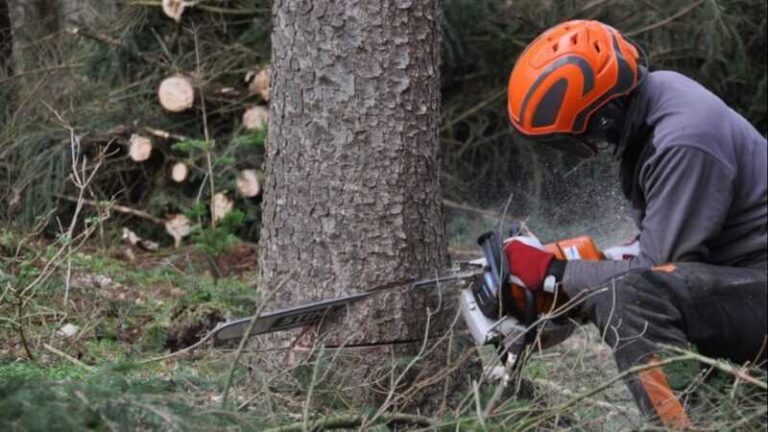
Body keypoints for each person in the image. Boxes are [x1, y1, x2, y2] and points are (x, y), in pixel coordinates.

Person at [503, 20, 767, 428]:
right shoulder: (655, 104)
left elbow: (654, 276)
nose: (583, 147)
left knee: (633, 302)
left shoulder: (682, 140)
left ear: (604, 115)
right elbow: (660, 250)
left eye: (573, 137)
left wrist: (556, 275)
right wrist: (572, 263)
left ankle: (694, 423)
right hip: (747, 281)